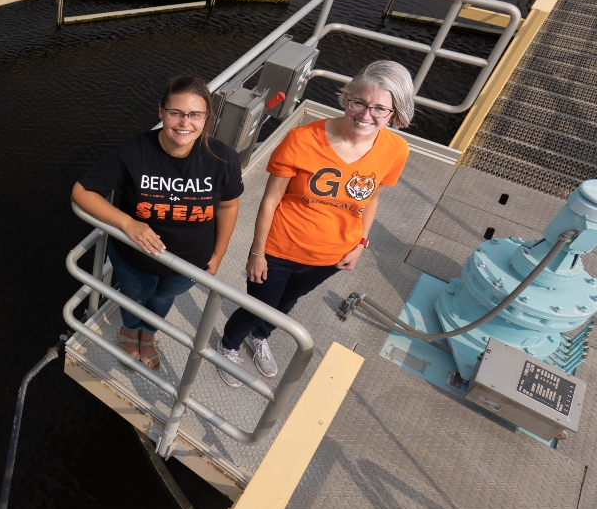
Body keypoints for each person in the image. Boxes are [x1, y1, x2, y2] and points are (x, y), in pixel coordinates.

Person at [217, 60, 412, 386]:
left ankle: (259, 338)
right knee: (257, 307)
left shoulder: (395, 149)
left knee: (286, 303)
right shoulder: (301, 139)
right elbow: (270, 200)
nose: (366, 115)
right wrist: (257, 252)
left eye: (380, 109)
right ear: (347, 97)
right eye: (360, 102)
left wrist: (361, 244)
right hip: (279, 250)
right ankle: (229, 345)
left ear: (394, 113)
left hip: (331, 256)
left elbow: (371, 199)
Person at [72, 75, 243, 371]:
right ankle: (130, 330)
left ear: (207, 117)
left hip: (190, 263)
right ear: (161, 111)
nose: (184, 123)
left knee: (164, 297)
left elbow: (228, 206)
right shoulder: (135, 151)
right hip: (135, 260)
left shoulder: (223, 159)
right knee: (134, 295)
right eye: (175, 112)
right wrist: (128, 224)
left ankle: (148, 334)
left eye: (195, 114)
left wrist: (218, 256)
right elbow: (82, 191)